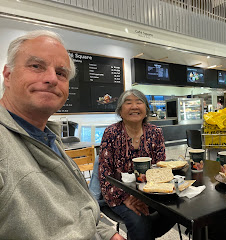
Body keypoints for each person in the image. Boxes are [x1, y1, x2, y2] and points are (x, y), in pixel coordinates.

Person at [0, 30, 124, 240]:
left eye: (61, 73)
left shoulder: (49, 138)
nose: (51, 79)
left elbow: (81, 205)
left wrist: (110, 234)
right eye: (36, 66)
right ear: (8, 75)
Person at [99, 89, 175, 240]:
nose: (134, 106)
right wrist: (126, 198)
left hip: (151, 193)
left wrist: (147, 197)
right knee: (139, 220)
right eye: (128, 103)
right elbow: (105, 174)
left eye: (139, 102)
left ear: (146, 110)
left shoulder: (155, 132)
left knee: (175, 212)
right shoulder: (111, 132)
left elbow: (160, 168)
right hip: (117, 193)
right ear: (120, 111)